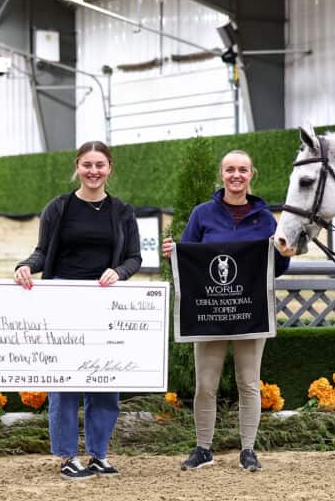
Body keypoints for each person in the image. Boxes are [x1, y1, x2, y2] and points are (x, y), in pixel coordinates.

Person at [14, 141, 142, 481]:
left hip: (105, 306)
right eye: (87, 164)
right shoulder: (58, 208)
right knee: (65, 384)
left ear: (110, 168)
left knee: (105, 382)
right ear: (78, 166)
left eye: (100, 164)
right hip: (63, 306)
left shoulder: (123, 211)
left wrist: (120, 272)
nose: (94, 171)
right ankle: (68, 457)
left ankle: (99, 454)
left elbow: (134, 257)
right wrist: (25, 266)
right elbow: (42, 253)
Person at [162, 150, 289, 473]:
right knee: (206, 384)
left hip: (249, 312)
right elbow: (187, 259)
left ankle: (248, 449)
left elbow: (274, 267)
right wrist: (172, 254)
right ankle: (203, 448)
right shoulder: (202, 214)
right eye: (230, 169)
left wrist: (285, 253)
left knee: (249, 383)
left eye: (242, 170)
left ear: (252, 174)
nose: (236, 175)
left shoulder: (265, 218)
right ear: (222, 174)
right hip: (210, 313)